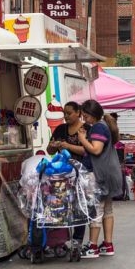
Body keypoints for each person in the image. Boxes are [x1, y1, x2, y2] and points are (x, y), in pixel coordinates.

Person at [78, 101, 123, 258]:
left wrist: (82, 138)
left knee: (96, 209)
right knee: (107, 210)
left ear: (92, 115)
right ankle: (108, 245)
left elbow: (96, 150)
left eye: (85, 116)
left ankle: (93, 247)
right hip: (109, 172)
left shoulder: (98, 127)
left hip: (99, 174)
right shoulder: (104, 125)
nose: (84, 119)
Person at [46, 101, 90, 246]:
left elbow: (86, 150)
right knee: (62, 206)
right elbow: (50, 150)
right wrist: (53, 146)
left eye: (69, 113)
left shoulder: (86, 129)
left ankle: (77, 240)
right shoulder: (60, 129)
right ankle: (61, 239)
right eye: (64, 113)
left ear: (78, 112)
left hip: (81, 173)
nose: (66, 116)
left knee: (78, 207)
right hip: (62, 174)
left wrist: (67, 146)